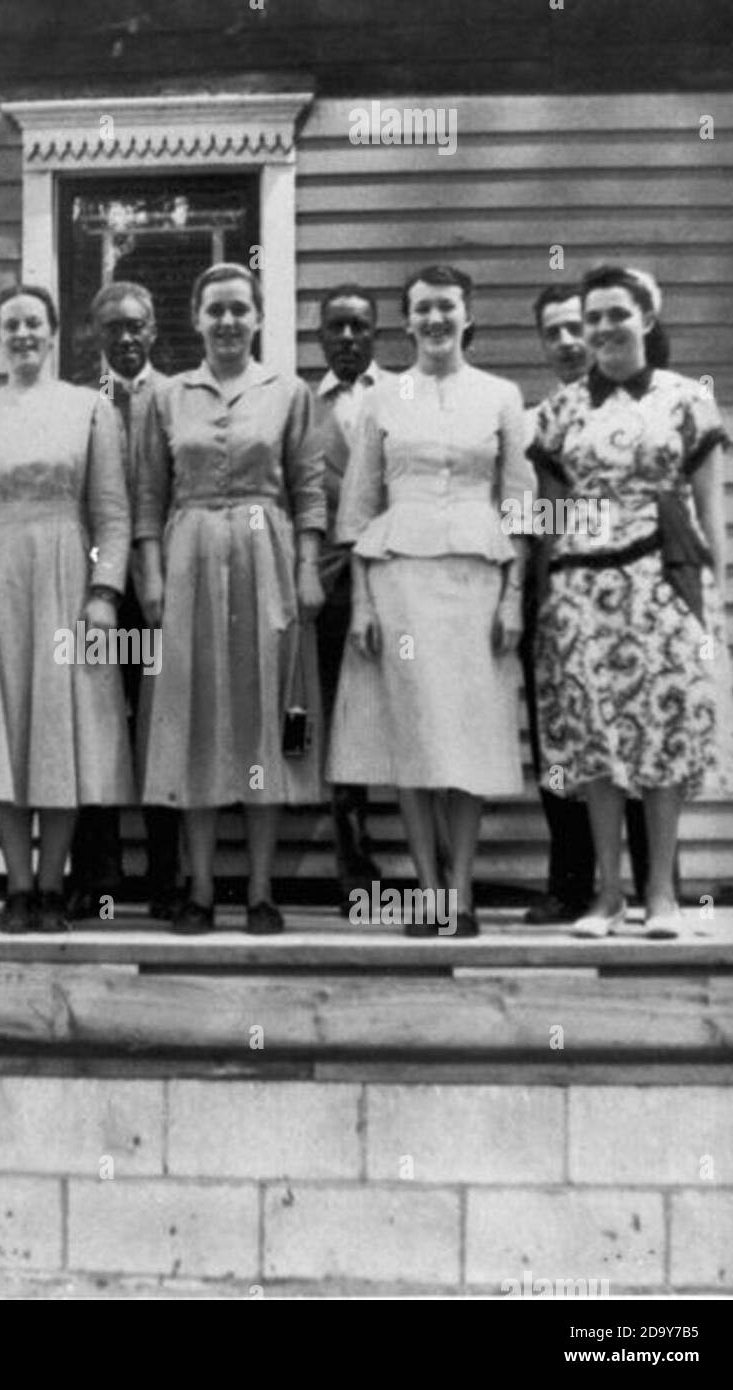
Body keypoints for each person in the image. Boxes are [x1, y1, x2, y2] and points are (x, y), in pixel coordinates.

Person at [329, 264, 533, 938]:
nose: (435, 320)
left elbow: (519, 507)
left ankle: (463, 893)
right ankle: (428, 892)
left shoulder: (502, 396)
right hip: (400, 582)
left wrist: (512, 599)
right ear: (408, 320)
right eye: (422, 310)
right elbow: (358, 510)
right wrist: (359, 603)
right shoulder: (381, 400)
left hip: (478, 580)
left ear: (466, 313)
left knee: (468, 737)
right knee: (414, 737)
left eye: (446, 307)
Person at [530, 265, 730, 938]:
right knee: (596, 741)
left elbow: (706, 514)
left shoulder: (684, 400)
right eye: (591, 318)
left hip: (660, 581)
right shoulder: (560, 410)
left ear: (646, 318)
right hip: (583, 588)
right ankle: (605, 897)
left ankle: (661, 897)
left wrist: (713, 601)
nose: (603, 328)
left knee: (663, 732)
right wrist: (552, 596)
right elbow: (554, 518)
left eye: (617, 314)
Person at [135, 262, 327, 936]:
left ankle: (260, 889)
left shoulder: (288, 392)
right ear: (194, 318)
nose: (225, 321)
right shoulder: (164, 398)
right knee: (193, 721)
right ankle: (198, 887)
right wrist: (150, 575)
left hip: (264, 553)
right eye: (213, 310)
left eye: (238, 309)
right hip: (187, 553)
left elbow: (307, 488)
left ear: (257, 317)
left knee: (263, 719)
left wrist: (307, 566)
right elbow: (146, 497)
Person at [0, 284, 134, 935]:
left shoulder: (89, 409)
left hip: (66, 578)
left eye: (33, 323)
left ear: (53, 333)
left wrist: (104, 592)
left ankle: (52, 885)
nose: (22, 334)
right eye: (11, 325)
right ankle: (16, 888)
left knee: (63, 732)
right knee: (2, 731)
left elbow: (111, 510)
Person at [66, 280, 183, 923]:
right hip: (99, 591)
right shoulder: (80, 406)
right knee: (99, 726)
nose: (125, 336)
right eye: (112, 327)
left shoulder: (176, 398)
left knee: (163, 725)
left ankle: (167, 876)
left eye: (136, 325)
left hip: (163, 586)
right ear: (96, 335)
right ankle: (99, 877)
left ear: (154, 329)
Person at [313, 284, 387, 902]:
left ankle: (438, 860)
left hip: (399, 578)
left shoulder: (403, 396)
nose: (347, 338)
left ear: (376, 334)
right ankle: (353, 867)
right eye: (335, 327)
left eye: (359, 327)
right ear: (319, 337)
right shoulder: (300, 406)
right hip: (331, 586)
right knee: (342, 719)